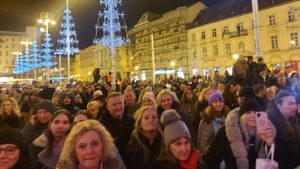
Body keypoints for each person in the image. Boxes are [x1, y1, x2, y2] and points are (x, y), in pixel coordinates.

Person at [205, 98, 276, 169]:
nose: (252, 116)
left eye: (256, 113)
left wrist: (269, 145)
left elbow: (276, 158)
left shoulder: (265, 132)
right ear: (241, 116)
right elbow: (211, 158)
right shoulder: (226, 132)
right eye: (248, 112)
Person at [56, 120, 126, 169]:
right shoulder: (65, 166)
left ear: (103, 145)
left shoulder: (116, 165)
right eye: (82, 146)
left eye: (95, 144)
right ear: (74, 151)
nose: (89, 151)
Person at [267, 91, 300, 169]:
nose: (295, 106)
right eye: (290, 104)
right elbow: (278, 153)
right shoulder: (272, 123)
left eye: (295, 103)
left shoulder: (292, 119)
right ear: (279, 106)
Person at [197, 90, 229, 164]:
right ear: (211, 104)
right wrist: (216, 153)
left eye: (221, 101)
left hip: (228, 157)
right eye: (215, 102)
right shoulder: (206, 121)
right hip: (215, 158)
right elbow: (202, 145)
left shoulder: (228, 116)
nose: (219, 104)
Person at [99, 92, 134, 157]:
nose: (118, 107)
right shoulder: (102, 127)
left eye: (120, 103)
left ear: (124, 104)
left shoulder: (132, 121)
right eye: (114, 104)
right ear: (108, 107)